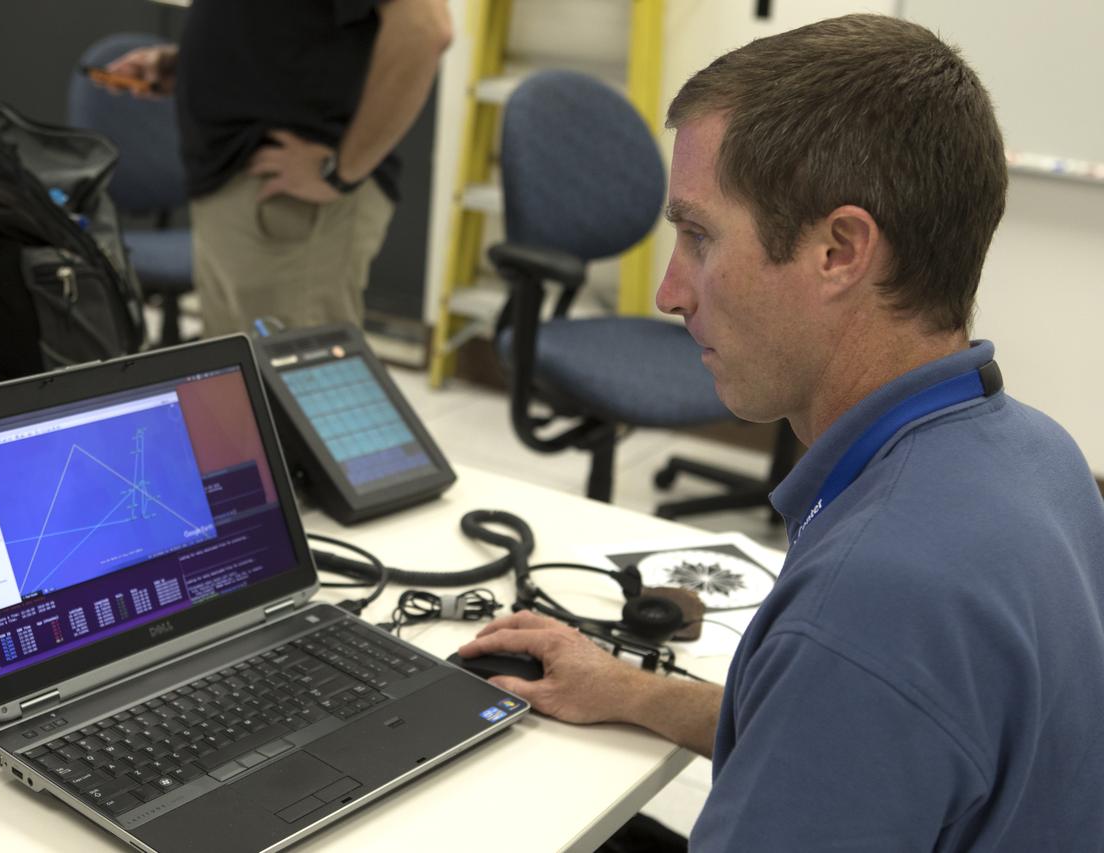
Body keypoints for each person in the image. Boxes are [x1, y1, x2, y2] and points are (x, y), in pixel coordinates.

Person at [459, 14, 1104, 851]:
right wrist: (632, 690)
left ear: (840, 250)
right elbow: (858, 732)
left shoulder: (871, 600)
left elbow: (851, 678)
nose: (669, 292)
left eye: (698, 236)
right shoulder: (1043, 456)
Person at [105, 0, 452, 335]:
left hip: (289, 204)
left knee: (295, 381)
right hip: (235, 191)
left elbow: (424, 29)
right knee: (239, 378)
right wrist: (191, 64)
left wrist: (339, 171)